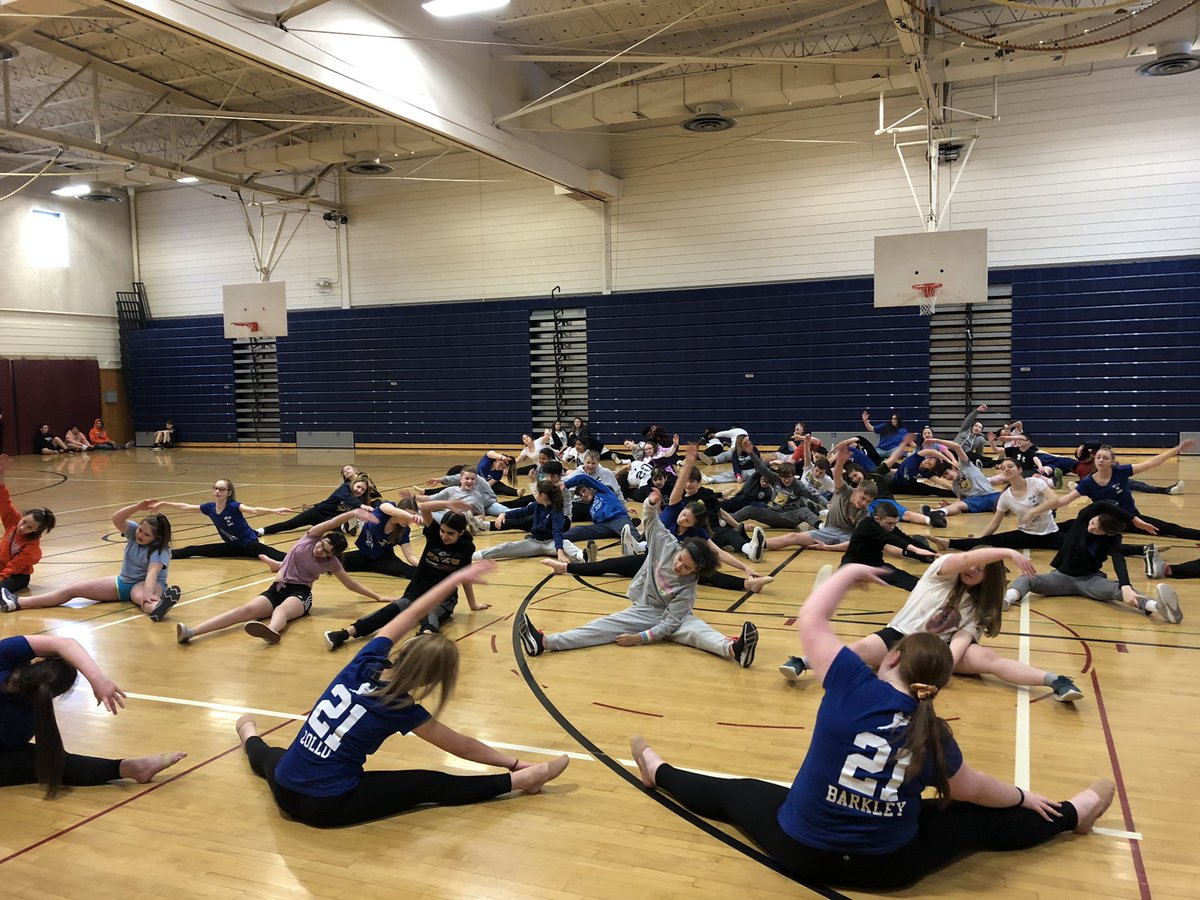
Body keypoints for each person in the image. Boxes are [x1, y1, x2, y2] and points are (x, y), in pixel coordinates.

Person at [630, 563, 1115, 890]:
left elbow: (812, 619)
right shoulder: (936, 731)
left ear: (893, 657)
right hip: (889, 869)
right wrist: (1022, 796)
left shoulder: (851, 683)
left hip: (802, 853)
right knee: (976, 821)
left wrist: (848, 574)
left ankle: (658, 771)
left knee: (736, 793)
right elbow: (977, 789)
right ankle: (1072, 814)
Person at [236, 560, 569, 828]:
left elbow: (410, 613)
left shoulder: (365, 661)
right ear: (433, 680)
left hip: (284, 785)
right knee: (428, 784)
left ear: (405, 648)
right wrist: (514, 764)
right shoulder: (398, 706)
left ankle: (247, 732)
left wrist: (454, 579)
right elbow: (462, 746)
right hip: (326, 805)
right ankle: (523, 781)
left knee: (272, 757)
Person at [780, 548, 1084, 701]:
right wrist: (1008, 552)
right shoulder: (941, 572)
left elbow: (961, 640)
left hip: (937, 649)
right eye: (972, 563)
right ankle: (802, 662)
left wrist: (941, 671)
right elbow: (965, 558)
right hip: (899, 635)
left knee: (987, 658)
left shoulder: (977, 606)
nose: (972, 568)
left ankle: (1055, 680)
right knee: (859, 650)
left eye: (980, 569)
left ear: (988, 578)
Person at [519, 491, 760, 667]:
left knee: (698, 632)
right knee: (601, 627)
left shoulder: (688, 587)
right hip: (645, 610)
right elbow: (651, 519)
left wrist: (639, 638)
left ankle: (735, 650)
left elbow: (668, 624)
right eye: (680, 560)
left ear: (696, 571)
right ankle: (545, 642)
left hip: (672, 617)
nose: (679, 567)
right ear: (680, 549)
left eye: (686, 568)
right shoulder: (667, 543)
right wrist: (651, 503)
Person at [0, 633, 186, 796]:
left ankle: (130, 768)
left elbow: (64, 644)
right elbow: (64, 644)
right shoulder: (25, 720)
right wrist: (98, 680)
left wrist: (98, 680)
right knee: (40, 761)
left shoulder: (4, 656)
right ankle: (128, 768)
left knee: (39, 760)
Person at [175, 508, 389, 645]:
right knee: (244, 611)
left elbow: (350, 584)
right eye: (322, 545)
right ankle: (192, 632)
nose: (320, 550)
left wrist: (378, 597)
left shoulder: (331, 563)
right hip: (277, 588)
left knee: (281, 610)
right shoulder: (310, 537)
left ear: (332, 555)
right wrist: (353, 513)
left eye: (326, 551)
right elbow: (332, 522)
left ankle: (271, 632)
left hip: (301, 594)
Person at [324, 504, 484, 649]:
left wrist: (473, 604)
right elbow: (425, 507)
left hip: (444, 596)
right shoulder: (434, 534)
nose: (444, 536)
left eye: (450, 533)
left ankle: (421, 641)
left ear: (461, 532)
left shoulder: (466, 548)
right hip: (417, 589)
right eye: (442, 531)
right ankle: (345, 634)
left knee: (429, 613)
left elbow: (465, 576)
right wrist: (447, 504)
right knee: (393, 609)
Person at [1004, 501, 1183, 624]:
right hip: (1061, 578)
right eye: (1092, 523)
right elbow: (1102, 504)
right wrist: (1134, 520)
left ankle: (1159, 608)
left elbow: (1119, 561)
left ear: (1108, 534)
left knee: (1119, 590)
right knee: (1027, 579)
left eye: (1096, 530)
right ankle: (1005, 600)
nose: (1091, 528)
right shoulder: (1083, 519)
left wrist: (1126, 586)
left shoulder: (1113, 539)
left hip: (1090, 580)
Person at [2, 500, 180, 621]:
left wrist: (148, 594)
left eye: (146, 535)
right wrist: (137, 506)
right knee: (72, 589)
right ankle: (17, 602)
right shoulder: (134, 532)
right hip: (123, 581)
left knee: (142, 598)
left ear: (157, 538)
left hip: (148, 584)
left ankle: (157, 607)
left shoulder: (161, 550)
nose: (140, 535)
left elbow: (152, 573)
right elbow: (117, 519)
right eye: (140, 530)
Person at [929, 457, 1063, 553]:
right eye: (1003, 468)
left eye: (1010, 466)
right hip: (1026, 534)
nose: (1006, 469)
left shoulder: (1034, 483)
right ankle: (948, 543)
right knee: (992, 541)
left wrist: (1033, 512)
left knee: (1073, 537)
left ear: (1019, 469)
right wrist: (981, 541)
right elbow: (995, 523)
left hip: (1051, 533)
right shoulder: (1005, 496)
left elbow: (1055, 501)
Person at [152, 480, 294, 562]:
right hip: (231, 547)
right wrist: (164, 503)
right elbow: (186, 507)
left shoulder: (233, 506)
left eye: (221, 489)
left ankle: (300, 559)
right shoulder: (209, 508)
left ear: (228, 492)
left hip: (249, 545)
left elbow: (253, 510)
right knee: (193, 550)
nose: (217, 491)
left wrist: (273, 510)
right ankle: (162, 555)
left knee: (275, 555)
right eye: (215, 488)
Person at [474, 481, 584, 564]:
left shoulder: (557, 512)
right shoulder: (536, 505)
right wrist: (504, 514)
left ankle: (583, 556)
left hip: (551, 543)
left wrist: (559, 551)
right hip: (534, 542)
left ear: (543, 496)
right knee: (507, 546)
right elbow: (521, 512)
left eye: (537, 492)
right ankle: (476, 555)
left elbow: (557, 531)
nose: (534, 494)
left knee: (566, 543)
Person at [0, 455, 56, 596]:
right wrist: (1, 474)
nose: (22, 528)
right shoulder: (13, 521)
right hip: (1, 568)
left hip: (17, 575)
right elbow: (3, 500)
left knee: (2, 587)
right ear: (22, 516)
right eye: (24, 522)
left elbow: (13, 568)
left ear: (36, 531)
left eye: (29, 528)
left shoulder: (32, 548)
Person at [260, 467, 367, 536]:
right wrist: (360, 505)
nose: (359, 490)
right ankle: (261, 530)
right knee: (289, 524)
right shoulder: (345, 488)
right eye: (358, 487)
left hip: (328, 519)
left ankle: (342, 527)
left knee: (337, 528)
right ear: (353, 484)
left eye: (362, 490)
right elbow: (346, 498)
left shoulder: (359, 499)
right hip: (317, 512)